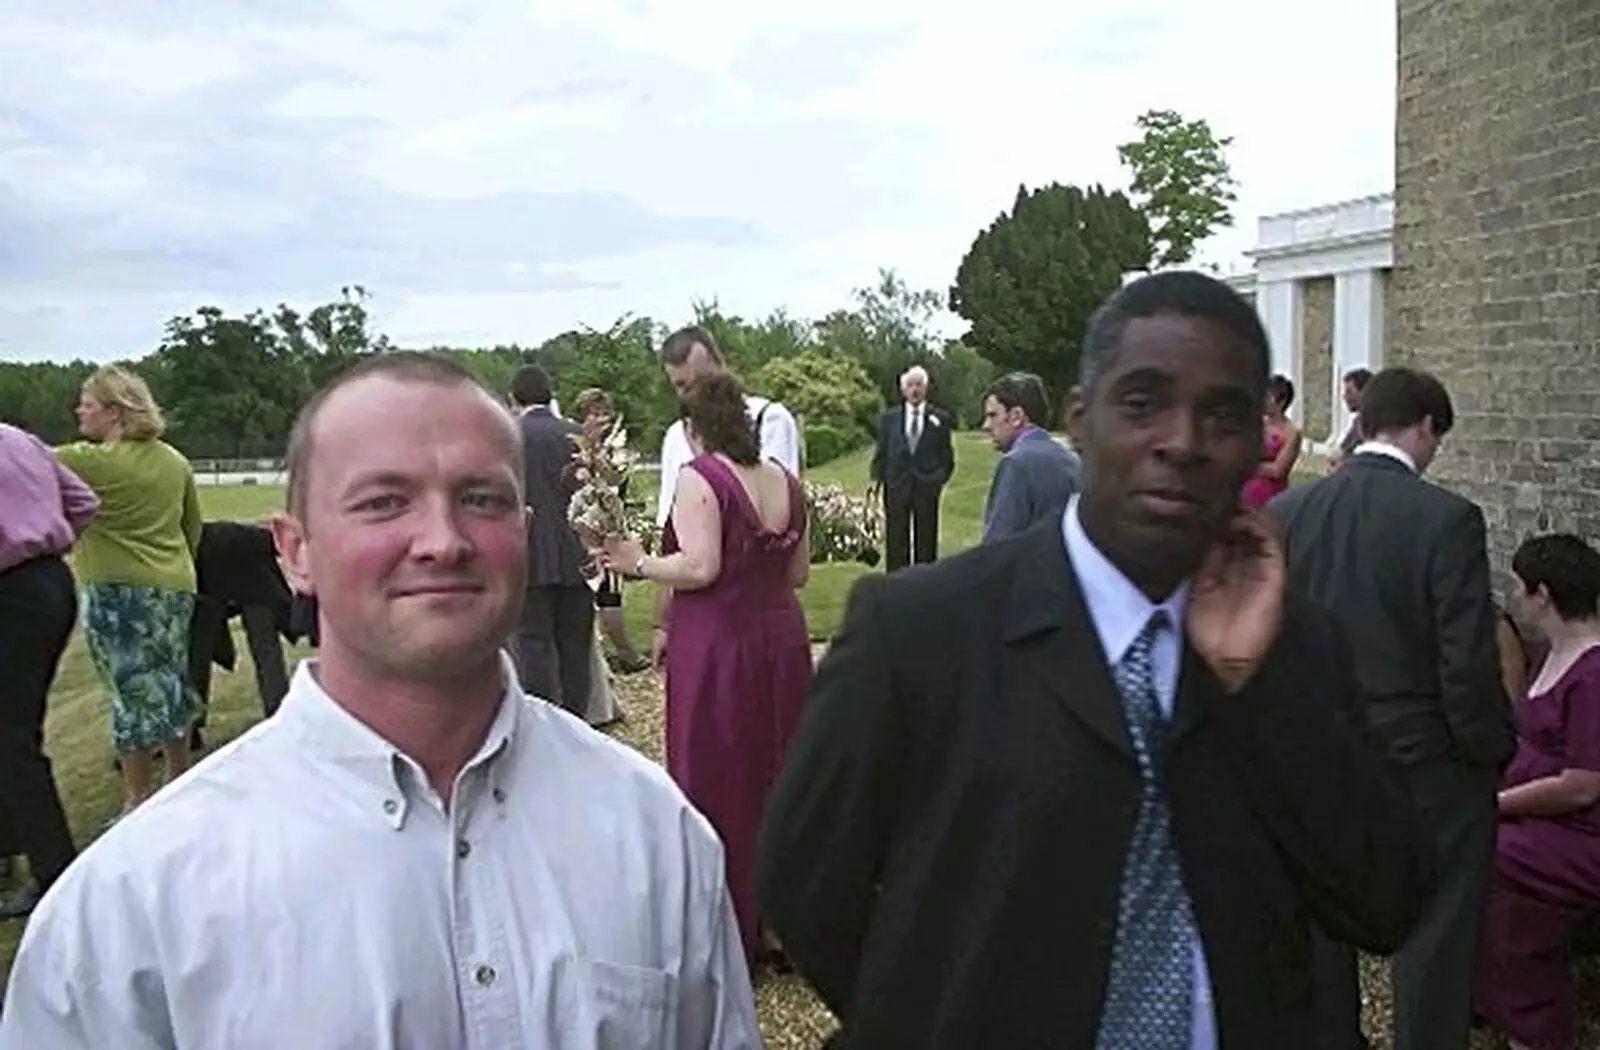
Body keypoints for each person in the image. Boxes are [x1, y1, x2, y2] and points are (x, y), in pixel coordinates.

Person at [0, 353, 760, 1049]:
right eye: (384, 501)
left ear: (525, 532)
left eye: (481, 499)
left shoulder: (654, 832)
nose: (441, 540)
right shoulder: (132, 910)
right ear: (294, 550)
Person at [756, 271, 1435, 1049]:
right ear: (1081, 418)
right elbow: (805, 883)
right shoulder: (921, 632)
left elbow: (1387, 902)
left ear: (1257, 444)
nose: (1181, 441)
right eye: (1142, 403)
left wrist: (1260, 685)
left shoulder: (1295, 643)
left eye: (1221, 414)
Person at [1268, 366, 1516, 1050]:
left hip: (1320, 755)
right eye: (1438, 439)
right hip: (1423, 759)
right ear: (1425, 427)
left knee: (1321, 927)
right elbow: (1464, 661)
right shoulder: (1447, 520)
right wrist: (1489, 751)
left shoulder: (1289, 514)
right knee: (1438, 931)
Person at [600, 371, 812, 969]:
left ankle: (729, 929)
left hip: (721, 644)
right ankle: (783, 926)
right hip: (783, 639)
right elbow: (798, 576)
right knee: (783, 772)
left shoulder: (702, 478)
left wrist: (637, 562)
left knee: (720, 775)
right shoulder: (787, 482)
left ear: (694, 429)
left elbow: (700, 566)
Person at [55, 364, 203, 818]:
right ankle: (180, 776)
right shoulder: (176, 461)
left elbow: (23, 455)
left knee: (128, 692)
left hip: (117, 590)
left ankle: (137, 798)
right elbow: (191, 526)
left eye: (89, 403)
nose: (79, 410)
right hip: (174, 585)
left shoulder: (91, 462)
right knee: (170, 679)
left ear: (115, 412)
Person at [1473, 533, 1600, 1050]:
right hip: (1541, 818)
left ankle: (1536, 1026)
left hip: (1581, 833)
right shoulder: (1553, 652)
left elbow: (1582, 786)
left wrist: (1496, 806)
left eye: (1522, 589)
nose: (1518, 598)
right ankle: (1489, 998)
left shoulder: (1593, 676)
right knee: (1467, 849)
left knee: (1486, 858)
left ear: (1542, 595)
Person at [654, 325, 800, 666]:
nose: (693, 396)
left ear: (720, 366)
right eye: (682, 386)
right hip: (698, 615)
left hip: (748, 613)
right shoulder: (675, 435)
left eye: (700, 382)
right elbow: (669, 534)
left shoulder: (769, 420)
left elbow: (784, 523)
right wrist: (661, 622)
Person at [0, 422, 96, 920]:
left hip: (11, 594)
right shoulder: (20, 439)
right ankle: (10, 848)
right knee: (14, 730)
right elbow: (83, 503)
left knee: (13, 738)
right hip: (51, 583)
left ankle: (53, 869)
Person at [509, 364, 594, 715]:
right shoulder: (577, 436)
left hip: (529, 552)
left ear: (513, 398)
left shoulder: (509, 436)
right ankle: (578, 719)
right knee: (576, 646)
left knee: (534, 646)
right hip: (577, 552)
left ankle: (544, 721)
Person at [571, 387, 650, 674]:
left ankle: (625, 652)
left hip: (608, 529)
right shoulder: (573, 445)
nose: (600, 419)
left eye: (604, 413)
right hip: (578, 528)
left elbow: (617, 477)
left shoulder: (617, 448)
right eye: (593, 413)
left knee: (610, 591)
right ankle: (598, 656)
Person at [978, 371, 1080, 543]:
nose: (986, 426)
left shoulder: (1016, 464)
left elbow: (997, 547)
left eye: (993, 415)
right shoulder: (1072, 461)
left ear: (1016, 416)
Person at [869, 365, 954, 571]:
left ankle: (924, 584)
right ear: (903, 389)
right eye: (910, 385)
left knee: (926, 538)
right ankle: (897, 584)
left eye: (918, 385)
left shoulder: (939, 419)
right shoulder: (890, 419)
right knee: (896, 538)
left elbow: (947, 457)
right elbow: (882, 453)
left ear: (925, 388)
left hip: (926, 488)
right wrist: (877, 480)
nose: (914, 390)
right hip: (897, 487)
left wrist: (936, 480)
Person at [1239, 374, 1301, 507]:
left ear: (1282, 401)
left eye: (1267, 398)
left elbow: (1277, 470)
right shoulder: (1255, 424)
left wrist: (1248, 465)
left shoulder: (1291, 433)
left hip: (1271, 494)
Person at [1327, 367, 1373, 471]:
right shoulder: (1358, 421)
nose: (1344, 396)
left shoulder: (1372, 424)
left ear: (1364, 392)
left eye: (1349, 391)